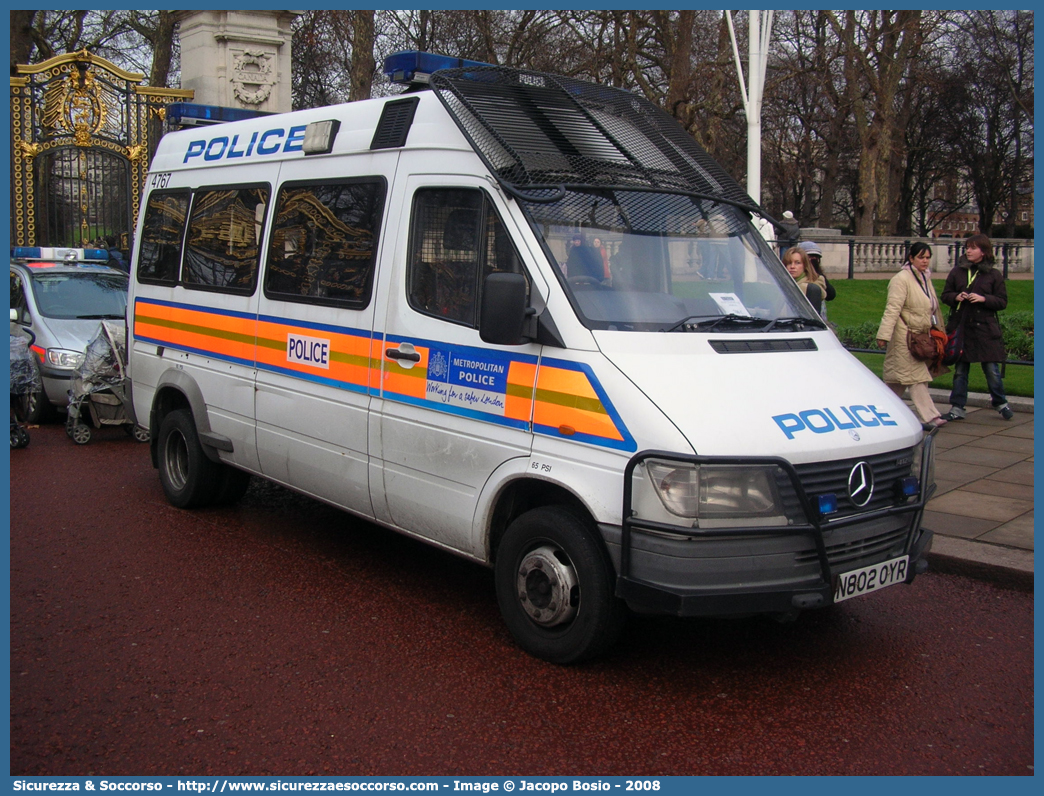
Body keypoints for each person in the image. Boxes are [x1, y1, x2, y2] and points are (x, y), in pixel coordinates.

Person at [940, 233, 1013, 421]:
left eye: (973, 248)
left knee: (991, 369)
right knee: (960, 370)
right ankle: (957, 407)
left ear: (983, 251)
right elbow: (946, 294)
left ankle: (1000, 403)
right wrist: (957, 296)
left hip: (985, 330)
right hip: (963, 327)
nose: (968, 251)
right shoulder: (957, 272)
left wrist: (983, 299)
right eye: (967, 247)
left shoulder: (993, 275)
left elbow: (1002, 301)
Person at [874, 242, 947, 429]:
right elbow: (892, 308)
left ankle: (881, 411)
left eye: (927, 257)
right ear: (911, 258)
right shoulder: (901, 279)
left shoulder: (924, 278)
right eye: (921, 257)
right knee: (916, 377)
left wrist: (938, 330)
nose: (925, 261)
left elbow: (932, 307)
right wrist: (884, 335)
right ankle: (929, 416)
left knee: (895, 382)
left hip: (919, 335)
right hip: (904, 336)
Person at [781, 246, 827, 316]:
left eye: (797, 263)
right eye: (789, 263)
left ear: (805, 265)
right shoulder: (780, 283)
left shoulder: (812, 284)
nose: (792, 266)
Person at [797, 241, 836, 320]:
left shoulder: (818, 278)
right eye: (809, 257)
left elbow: (830, 295)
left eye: (815, 257)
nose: (813, 260)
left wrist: (817, 273)